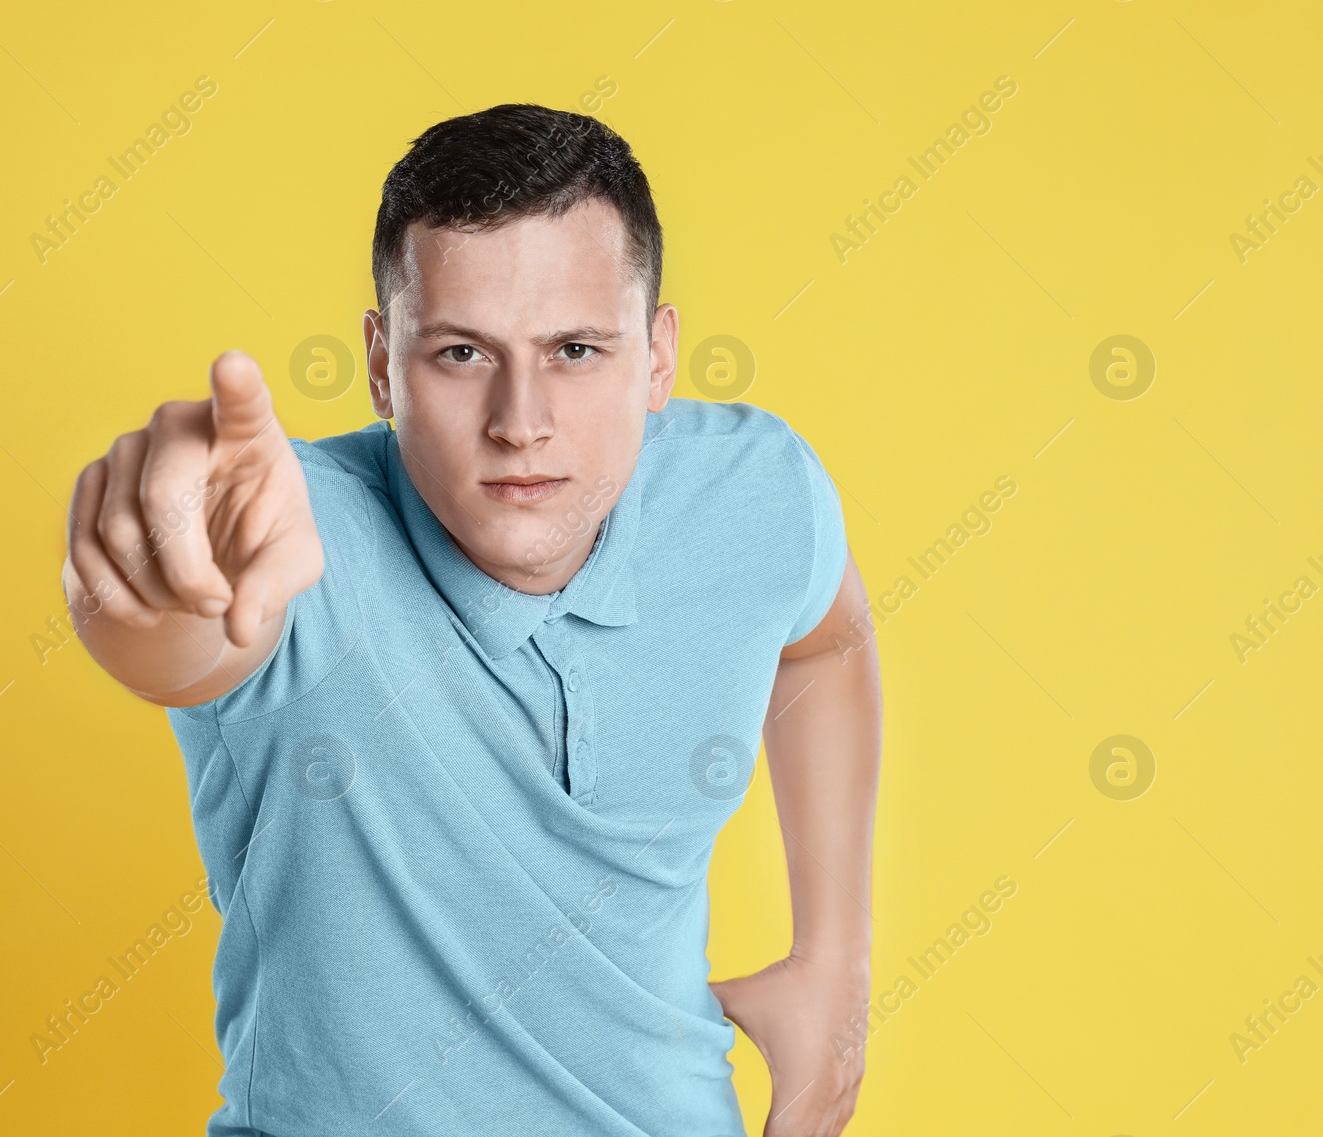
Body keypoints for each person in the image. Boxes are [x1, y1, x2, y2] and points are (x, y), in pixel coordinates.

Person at [62, 102, 882, 1137]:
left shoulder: (752, 492)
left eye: (577, 349)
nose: (520, 422)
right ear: (379, 363)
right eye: (460, 354)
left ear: (660, 354)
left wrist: (834, 964)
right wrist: (151, 561)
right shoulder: (296, 541)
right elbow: (179, 633)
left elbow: (825, 633)